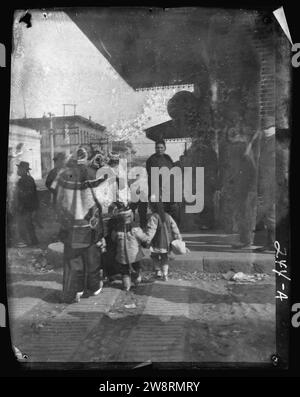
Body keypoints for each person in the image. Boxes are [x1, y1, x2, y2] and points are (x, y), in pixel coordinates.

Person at [55, 148, 105, 303]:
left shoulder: (64, 175)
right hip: (90, 224)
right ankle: (93, 287)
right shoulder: (93, 174)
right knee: (92, 257)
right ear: (88, 158)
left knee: (73, 259)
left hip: (71, 224)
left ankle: (75, 290)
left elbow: (58, 200)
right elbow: (102, 200)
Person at [142, 139, 179, 227]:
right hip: (157, 189)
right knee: (159, 212)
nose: (159, 149)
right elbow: (151, 175)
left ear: (165, 148)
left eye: (161, 148)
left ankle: (172, 228)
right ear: (155, 148)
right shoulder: (151, 160)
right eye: (157, 148)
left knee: (174, 209)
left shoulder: (168, 158)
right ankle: (162, 230)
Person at [111, 206, 149, 291]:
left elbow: (113, 238)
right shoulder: (135, 227)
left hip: (122, 255)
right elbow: (142, 237)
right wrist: (146, 241)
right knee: (137, 266)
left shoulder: (117, 229)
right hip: (134, 254)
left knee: (124, 271)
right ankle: (137, 279)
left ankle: (126, 285)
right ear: (130, 216)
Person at [145, 199, 182, 281]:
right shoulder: (168, 216)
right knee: (165, 258)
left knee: (154, 256)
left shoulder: (154, 217)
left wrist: (147, 240)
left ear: (153, 207)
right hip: (167, 243)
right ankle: (165, 274)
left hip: (157, 242)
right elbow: (175, 228)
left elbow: (151, 230)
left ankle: (158, 271)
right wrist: (178, 238)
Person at [14, 161, 39, 247]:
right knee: (27, 224)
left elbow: (29, 194)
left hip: (27, 206)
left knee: (26, 223)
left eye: (19, 169)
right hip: (25, 206)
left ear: (24, 170)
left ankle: (29, 241)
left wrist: (19, 194)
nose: (18, 170)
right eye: (18, 168)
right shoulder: (23, 179)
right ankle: (32, 241)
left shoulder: (28, 180)